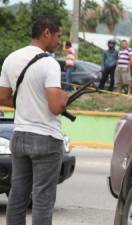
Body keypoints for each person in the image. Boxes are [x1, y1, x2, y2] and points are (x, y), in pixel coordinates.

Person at [0, 15, 68, 225]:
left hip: (19, 136)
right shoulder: (49, 63)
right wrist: (64, 98)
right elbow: (55, 107)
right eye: (57, 35)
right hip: (46, 138)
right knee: (42, 198)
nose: (58, 41)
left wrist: (26, 105)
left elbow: (2, 97)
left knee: (18, 194)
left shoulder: (11, 58)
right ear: (46, 32)